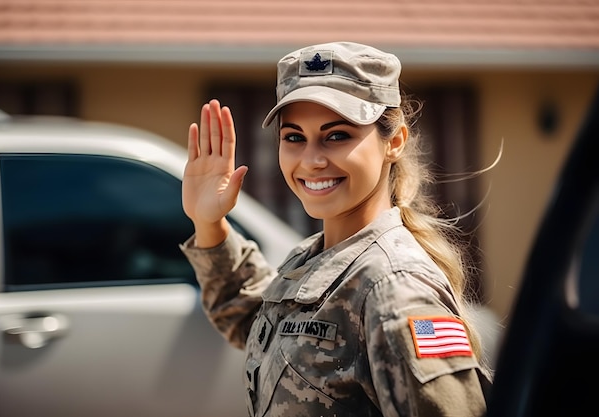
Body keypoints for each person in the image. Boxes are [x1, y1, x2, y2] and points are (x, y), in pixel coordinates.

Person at [180, 41, 492, 417]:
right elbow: (260, 326)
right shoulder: (319, 257)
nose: (311, 160)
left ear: (394, 142)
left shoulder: (396, 287)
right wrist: (207, 222)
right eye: (294, 137)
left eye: (337, 135)